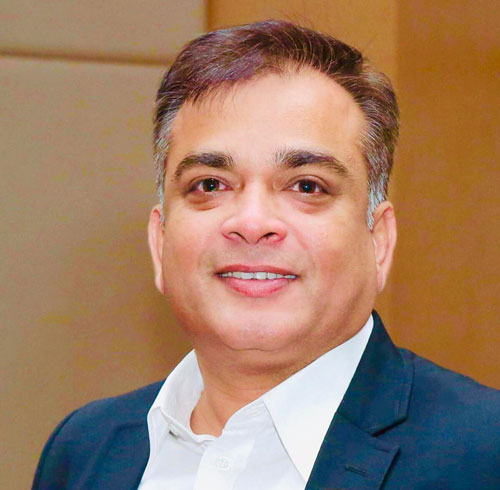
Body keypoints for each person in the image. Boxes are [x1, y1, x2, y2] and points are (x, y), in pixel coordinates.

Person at [32, 20, 500, 490]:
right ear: (160, 241)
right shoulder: (84, 452)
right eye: (210, 185)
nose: (252, 222)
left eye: (306, 186)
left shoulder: (484, 454)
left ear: (378, 241)